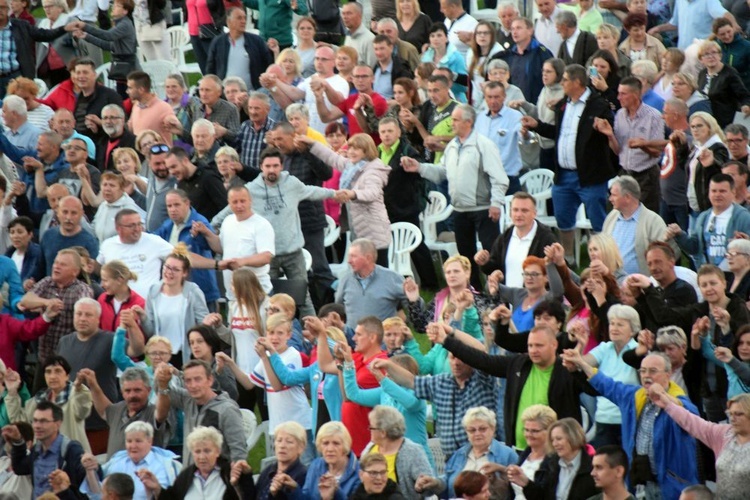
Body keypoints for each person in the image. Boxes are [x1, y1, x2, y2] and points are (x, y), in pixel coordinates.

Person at [563, 350, 699, 498]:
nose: (647, 375)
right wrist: (582, 363)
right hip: (642, 483)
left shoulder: (677, 400)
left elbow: (692, 416)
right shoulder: (634, 396)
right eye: (643, 371)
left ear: (668, 374)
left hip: (673, 487)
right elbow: (607, 385)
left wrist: (664, 398)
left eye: (653, 371)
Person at [402, 104, 508, 288]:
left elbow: (499, 177)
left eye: (456, 120)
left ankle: (500, 292)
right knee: (465, 256)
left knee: (492, 255)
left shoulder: (484, 145)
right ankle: (474, 293)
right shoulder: (451, 146)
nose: (452, 123)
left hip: (484, 209)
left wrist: (496, 203)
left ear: (469, 122)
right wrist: (419, 168)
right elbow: (442, 172)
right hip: (459, 210)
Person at [521, 64, 616, 265]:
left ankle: (604, 260)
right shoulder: (564, 104)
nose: (561, 83)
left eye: (565, 79)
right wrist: (537, 125)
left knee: (598, 222)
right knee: (564, 220)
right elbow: (558, 133)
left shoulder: (598, 105)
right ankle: (569, 261)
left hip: (590, 175)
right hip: (563, 175)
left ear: (577, 82)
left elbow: (610, 133)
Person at [301, 133, 393, 264]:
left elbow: (372, 193)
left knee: (378, 272)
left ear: (366, 151)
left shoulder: (374, 170)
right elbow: (331, 157)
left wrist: (352, 194)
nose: (351, 152)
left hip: (374, 233)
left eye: (356, 149)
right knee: (361, 271)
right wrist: (311, 143)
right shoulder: (352, 166)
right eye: (349, 148)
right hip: (359, 231)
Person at [376, 117, 438, 289]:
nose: (386, 135)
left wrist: (411, 164)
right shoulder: (377, 151)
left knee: (416, 245)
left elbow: (421, 169)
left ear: (398, 132)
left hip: (405, 206)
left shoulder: (407, 150)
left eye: (390, 131)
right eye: (383, 132)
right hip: (384, 208)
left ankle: (430, 284)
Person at [154, 360, 247, 465]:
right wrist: (162, 381)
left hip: (218, 477)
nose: (193, 385)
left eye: (197, 379)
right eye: (188, 381)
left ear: (210, 380)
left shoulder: (227, 409)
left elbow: (239, 452)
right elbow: (165, 392)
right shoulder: (188, 400)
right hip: (190, 476)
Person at [416, 406, 517, 498]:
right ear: (466, 432)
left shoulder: (507, 455)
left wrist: (502, 470)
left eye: (482, 429)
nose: (477, 433)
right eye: (472, 430)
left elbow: (518, 488)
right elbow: (447, 484)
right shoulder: (459, 455)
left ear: (493, 429)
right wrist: (435, 482)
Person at [76, 366, 167, 460]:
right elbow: (104, 408)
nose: (132, 395)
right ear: (122, 392)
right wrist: (93, 384)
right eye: (128, 391)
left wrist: (163, 387)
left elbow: (162, 412)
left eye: (137, 390)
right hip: (114, 473)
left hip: (144, 472)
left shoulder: (153, 412)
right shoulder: (117, 410)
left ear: (148, 390)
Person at [137, 426, 253, 499]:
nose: (202, 457)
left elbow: (249, 495)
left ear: (217, 451)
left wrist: (244, 477)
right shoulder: (186, 476)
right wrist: (156, 487)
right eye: (197, 452)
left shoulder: (228, 473)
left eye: (207, 451)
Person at [2, 400, 88, 499]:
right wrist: (18, 441)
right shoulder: (37, 450)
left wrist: (64, 491)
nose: (37, 426)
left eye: (43, 421)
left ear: (58, 424)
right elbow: (20, 468)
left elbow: (86, 492)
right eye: (35, 420)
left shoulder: (71, 450)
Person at [666, 174, 750, 268]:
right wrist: (679, 234)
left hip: (733, 274)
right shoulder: (703, 217)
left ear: (733, 192)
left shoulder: (743, 217)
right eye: (714, 191)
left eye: (722, 191)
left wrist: (745, 243)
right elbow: (694, 248)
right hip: (709, 274)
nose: (717, 195)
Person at [505, 418, 598, 500]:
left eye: (559, 439)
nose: (555, 444)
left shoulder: (592, 467)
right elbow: (542, 496)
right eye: (552, 440)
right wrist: (526, 483)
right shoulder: (552, 464)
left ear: (573, 437)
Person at [96, 209, 175, 298]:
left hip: (148, 305)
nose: (137, 229)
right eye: (131, 226)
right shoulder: (108, 245)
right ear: (118, 228)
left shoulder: (155, 242)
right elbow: (98, 268)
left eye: (139, 224)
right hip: (117, 305)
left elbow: (180, 259)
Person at [601, 176, 671, 275]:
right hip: (612, 282)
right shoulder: (611, 218)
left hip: (641, 284)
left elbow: (664, 254)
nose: (610, 199)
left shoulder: (653, 221)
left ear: (627, 197)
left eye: (614, 195)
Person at [280, 421, 360, 499]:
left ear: (345, 446)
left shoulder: (359, 473)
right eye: (325, 443)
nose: (330, 449)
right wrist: (294, 488)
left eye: (336, 443)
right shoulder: (316, 465)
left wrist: (336, 492)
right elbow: (307, 497)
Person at [205, 7, 274, 91]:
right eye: (239, 18)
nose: (243, 21)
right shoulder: (218, 42)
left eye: (245, 18)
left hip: (252, 92)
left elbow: (269, 63)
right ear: (229, 22)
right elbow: (210, 68)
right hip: (226, 94)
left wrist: (274, 51)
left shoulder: (256, 41)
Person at [696, 40, 750, 129]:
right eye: (706, 54)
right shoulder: (702, 73)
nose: (711, 56)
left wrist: (746, 105)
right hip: (707, 122)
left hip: (726, 123)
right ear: (701, 59)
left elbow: (744, 96)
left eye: (714, 52)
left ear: (720, 55)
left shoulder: (729, 73)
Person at [247, 421, 308, 499]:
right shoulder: (268, 470)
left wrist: (277, 494)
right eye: (279, 440)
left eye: (289, 442)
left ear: (301, 448)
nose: (282, 446)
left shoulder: (302, 475)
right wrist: (243, 477)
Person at [421, 23, 468, 103]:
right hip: (431, 99)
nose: (435, 39)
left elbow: (464, 87)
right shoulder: (425, 57)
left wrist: (449, 77)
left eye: (439, 35)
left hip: (455, 100)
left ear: (446, 38)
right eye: (432, 36)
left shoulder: (457, 57)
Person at [125, 72, 174, 146]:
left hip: (161, 155)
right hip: (141, 155)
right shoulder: (136, 106)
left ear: (141, 90)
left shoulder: (163, 108)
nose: (127, 91)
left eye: (130, 88)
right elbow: (130, 129)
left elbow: (175, 128)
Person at [343, 2, 376, 67]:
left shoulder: (369, 39)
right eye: (343, 13)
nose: (345, 17)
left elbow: (372, 68)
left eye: (349, 13)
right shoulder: (348, 36)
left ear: (359, 15)